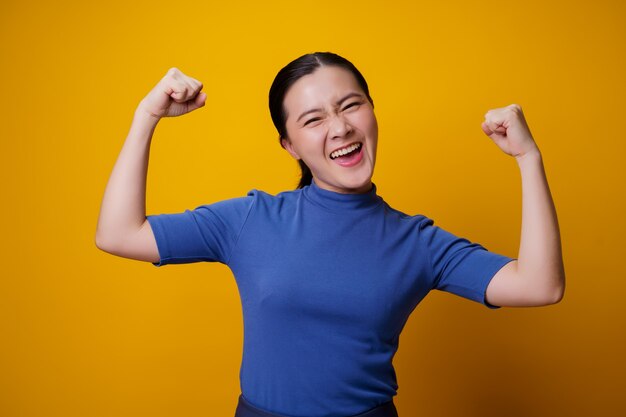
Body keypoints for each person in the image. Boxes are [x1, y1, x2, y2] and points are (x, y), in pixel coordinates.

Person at [95, 52, 565, 417]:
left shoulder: (418, 242)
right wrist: (146, 117)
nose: (340, 127)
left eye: (351, 105)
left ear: (372, 113)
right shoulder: (251, 219)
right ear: (290, 145)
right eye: (313, 119)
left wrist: (528, 158)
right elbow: (119, 234)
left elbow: (540, 285)